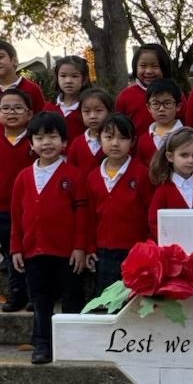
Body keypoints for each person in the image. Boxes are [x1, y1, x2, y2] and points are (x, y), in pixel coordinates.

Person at [10, 111, 87, 365]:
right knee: (40, 298)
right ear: (31, 143)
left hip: (67, 252)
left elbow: (82, 215)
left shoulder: (74, 175)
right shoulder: (23, 177)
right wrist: (16, 248)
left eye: (52, 137)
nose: (46, 143)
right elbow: (17, 215)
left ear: (64, 141)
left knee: (71, 296)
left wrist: (80, 247)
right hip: (34, 251)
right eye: (40, 138)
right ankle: (42, 343)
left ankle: (73, 343)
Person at [0, 88, 34, 312]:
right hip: (2, 209)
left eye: (18, 108)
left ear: (29, 114)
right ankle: (17, 293)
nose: (12, 112)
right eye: (6, 108)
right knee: (12, 253)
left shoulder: (35, 142)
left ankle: (34, 295)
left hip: (31, 209)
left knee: (32, 251)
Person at [84, 114, 152, 293]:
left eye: (122, 138)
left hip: (135, 249)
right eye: (109, 137)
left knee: (133, 297)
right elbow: (89, 217)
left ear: (133, 141)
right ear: (99, 139)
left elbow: (150, 213)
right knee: (106, 299)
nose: (115, 143)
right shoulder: (93, 177)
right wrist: (89, 247)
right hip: (103, 250)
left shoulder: (142, 174)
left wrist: (149, 245)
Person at [0, 39, 45, 153]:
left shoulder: (32, 89)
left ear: (14, 60)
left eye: (0, 57)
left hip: (28, 151)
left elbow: (42, 122)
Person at [148, 127, 193, 241]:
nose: (190, 160)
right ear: (170, 157)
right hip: (172, 248)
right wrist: (171, 242)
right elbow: (154, 221)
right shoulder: (163, 189)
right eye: (184, 155)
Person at [115, 43, 174, 134]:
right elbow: (117, 127)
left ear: (164, 68)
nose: (149, 71)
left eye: (155, 66)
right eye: (143, 66)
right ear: (135, 67)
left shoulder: (174, 94)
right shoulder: (125, 96)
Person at [136, 78, 184, 165]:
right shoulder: (143, 140)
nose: (161, 109)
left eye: (167, 103)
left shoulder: (188, 136)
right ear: (148, 107)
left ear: (178, 106)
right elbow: (141, 168)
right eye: (155, 104)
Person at [67, 87, 113, 174]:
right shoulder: (77, 143)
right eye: (87, 111)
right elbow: (70, 170)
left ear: (109, 111)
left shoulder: (114, 141)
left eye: (98, 110)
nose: (92, 116)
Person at [44, 55, 89, 142]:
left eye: (74, 76)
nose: (68, 81)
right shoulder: (48, 108)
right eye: (63, 76)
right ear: (57, 78)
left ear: (84, 80)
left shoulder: (90, 108)